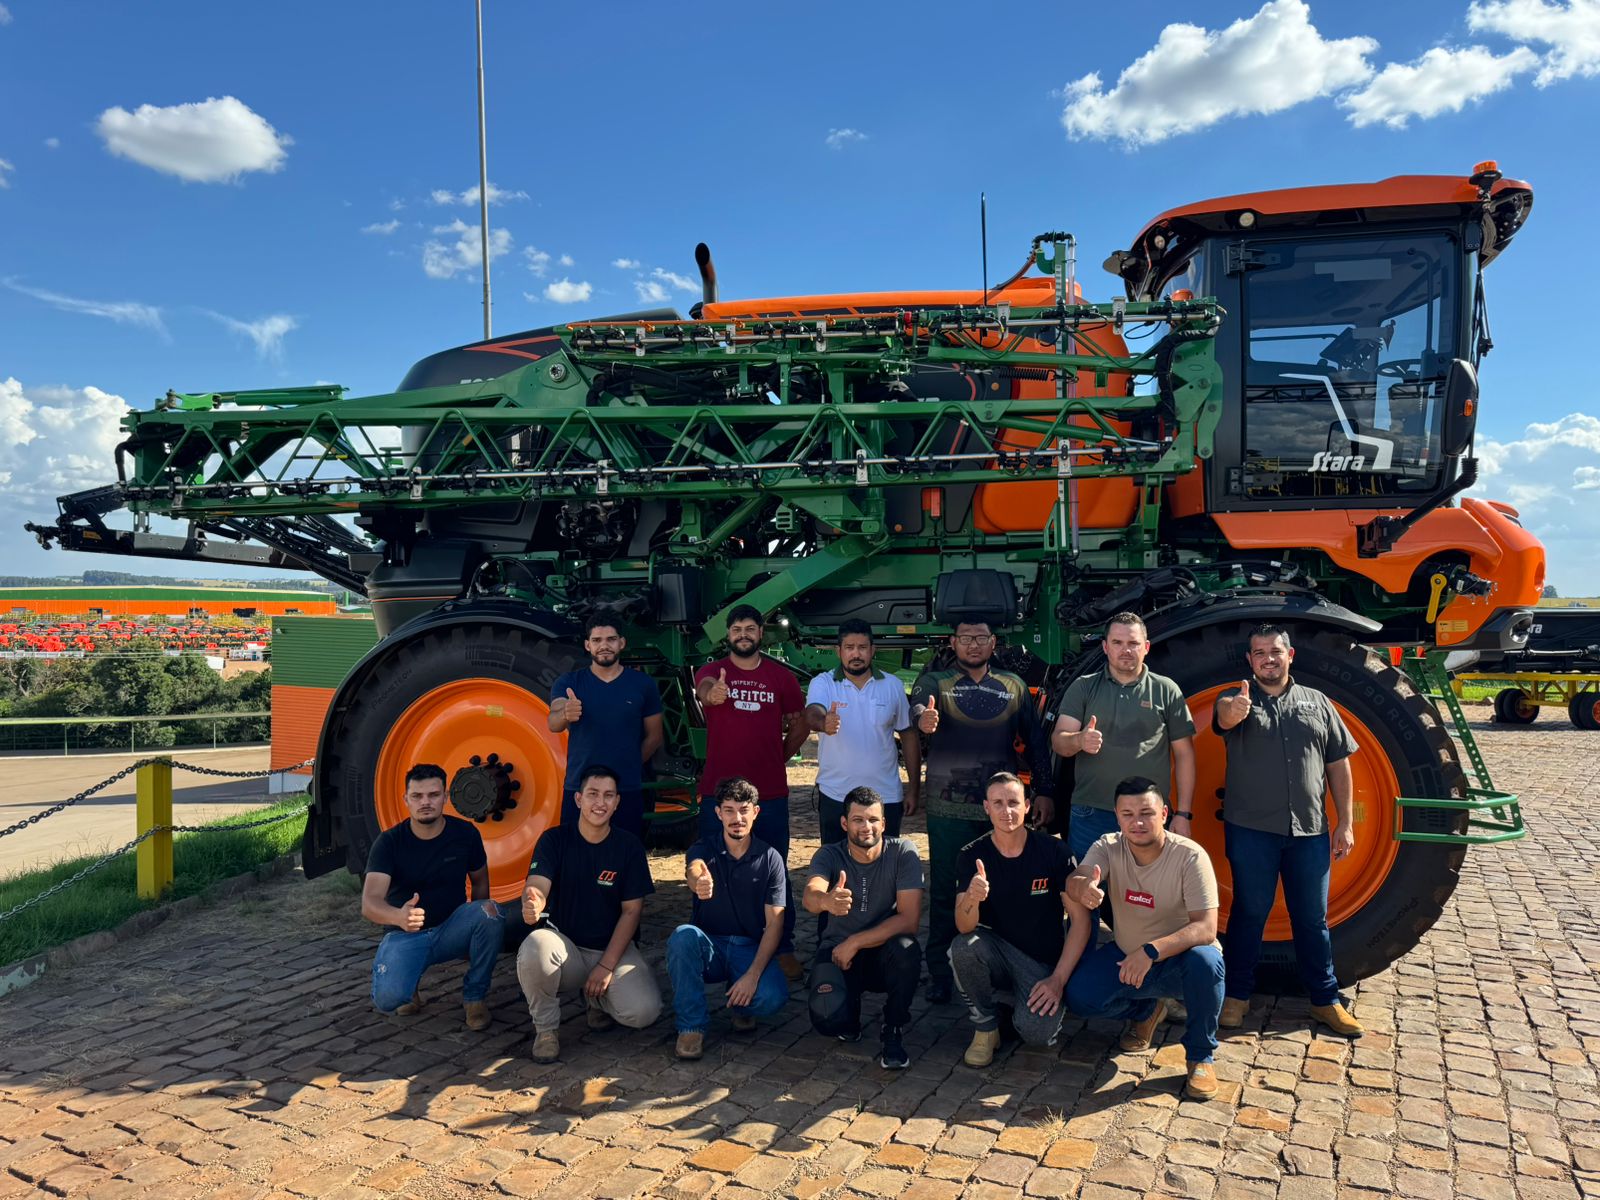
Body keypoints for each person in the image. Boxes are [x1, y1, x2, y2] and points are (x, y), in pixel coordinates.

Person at [1212, 625, 1363, 1038]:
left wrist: (1346, 823)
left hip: (1310, 832)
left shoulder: (1318, 703)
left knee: (1312, 920)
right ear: (1250, 660)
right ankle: (1236, 997)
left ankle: (1325, 1000)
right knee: (1249, 914)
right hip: (1251, 832)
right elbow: (1222, 720)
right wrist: (1232, 712)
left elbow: (1338, 764)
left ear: (1290, 654)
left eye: (1275, 651)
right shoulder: (1235, 701)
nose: (1267, 658)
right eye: (1259, 652)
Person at [911, 621, 1054, 1004]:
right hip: (947, 807)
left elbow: (1036, 743)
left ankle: (999, 967)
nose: (973, 645)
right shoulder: (936, 683)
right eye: (965, 639)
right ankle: (941, 971)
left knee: (1003, 890)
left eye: (980, 639)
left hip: (1001, 811)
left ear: (993, 643)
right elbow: (918, 707)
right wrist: (923, 720)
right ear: (953, 643)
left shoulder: (1013, 686)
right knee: (946, 890)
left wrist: (1043, 792)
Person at [1063, 777, 1226, 1101]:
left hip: (1178, 961)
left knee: (1208, 963)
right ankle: (1146, 1012)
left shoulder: (1190, 856)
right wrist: (1082, 887)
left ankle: (1200, 1056)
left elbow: (1206, 928)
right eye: (1127, 814)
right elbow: (1078, 876)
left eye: (1146, 813)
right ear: (1117, 815)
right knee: (1079, 996)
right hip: (1127, 956)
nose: (1137, 822)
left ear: (1164, 813)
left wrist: (1151, 951)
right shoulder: (1108, 845)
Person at [515, 764, 663, 1062]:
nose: (600, 803)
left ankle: (595, 1000)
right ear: (578, 799)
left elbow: (632, 912)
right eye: (593, 794)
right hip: (566, 949)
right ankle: (546, 1031)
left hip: (613, 950)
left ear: (617, 802)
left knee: (643, 1012)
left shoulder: (628, 846)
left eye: (609, 795)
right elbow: (538, 885)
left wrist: (606, 966)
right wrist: (533, 901)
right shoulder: (554, 840)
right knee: (535, 947)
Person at [694, 604, 808, 979]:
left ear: (761, 633)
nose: (743, 634)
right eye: (737, 628)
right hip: (717, 792)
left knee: (775, 868)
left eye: (750, 628)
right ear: (728, 635)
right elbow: (706, 690)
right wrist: (714, 694)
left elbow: (801, 723)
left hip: (769, 794)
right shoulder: (712, 672)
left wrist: (779, 756)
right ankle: (707, 941)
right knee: (711, 869)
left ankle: (783, 946)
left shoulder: (781, 678)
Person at [948, 773, 1078, 1066]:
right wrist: (972, 897)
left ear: (1028, 806)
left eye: (1013, 803)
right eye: (998, 803)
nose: (1006, 811)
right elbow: (963, 927)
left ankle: (1015, 1009)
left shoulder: (1053, 851)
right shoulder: (972, 855)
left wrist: (1058, 978)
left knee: (1037, 1034)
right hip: (997, 951)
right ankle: (986, 1027)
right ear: (986, 807)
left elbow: (1080, 922)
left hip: (1042, 962)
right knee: (963, 948)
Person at [363, 763, 505, 1030]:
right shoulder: (389, 842)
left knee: (491, 912)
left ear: (446, 796)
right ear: (406, 799)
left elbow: (480, 881)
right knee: (390, 1000)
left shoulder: (466, 834)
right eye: (417, 796)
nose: (425, 802)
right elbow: (369, 903)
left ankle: (475, 998)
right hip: (406, 934)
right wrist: (398, 916)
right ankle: (410, 987)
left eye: (433, 795)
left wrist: (475, 933)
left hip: (450, 927)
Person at [1051, 612, 1196, 863]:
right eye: (1117, 643)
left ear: (1146, 647)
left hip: (1147, 815)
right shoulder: (1083, 687)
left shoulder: (1166, 690)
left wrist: (1183, 813)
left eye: (1133, 643)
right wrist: (1078, 740)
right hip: (1092, 812)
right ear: (1105, 647)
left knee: (1146, 895)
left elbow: (1184, 754)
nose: (1125, 650)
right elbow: (1059, 741)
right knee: (1089, 892)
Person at [666, 777, 791, 1060]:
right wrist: (698, 881)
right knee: (682, 937)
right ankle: (691, 1026)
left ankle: (741, 1006)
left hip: (749, 947)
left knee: (772, 997)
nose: (737, 818)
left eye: (744, 810)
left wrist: (753, 975)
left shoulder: (771, 858)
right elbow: (694, 868)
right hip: (709, 944)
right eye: (730, 810)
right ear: (718, 813)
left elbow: (775, 923)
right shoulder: (703, 848)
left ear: (756, 813)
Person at [802, 787, 925, 1070]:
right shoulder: (829, 855)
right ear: (845, 823)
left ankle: (893, 1028)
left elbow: (910, 920)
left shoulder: (903, 852)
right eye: (858, 820)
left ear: (884, 823)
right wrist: (827, 900)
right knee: (830, 1022)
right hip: (839, 955)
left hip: (881, 954)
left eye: (872, 820)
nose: (866, 827)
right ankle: (851, 1014)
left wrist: (855, 941)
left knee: (907, 949)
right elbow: (810, 897)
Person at [548, 616, 665, 841]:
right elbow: (553, 723)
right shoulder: (569, 682)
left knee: (626, 853)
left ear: (621, 643)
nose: (604, 646)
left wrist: (628, 763)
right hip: (580, 788)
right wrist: (565, 713)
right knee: (576, 856)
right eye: (597, 640)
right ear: (587, 645)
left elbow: (654, 736)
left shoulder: (643, 684)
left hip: (626, 788)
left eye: (611, 639)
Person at [805, 618, 921, 843]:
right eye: (849, 648)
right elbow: (812, 713)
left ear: (873, 650)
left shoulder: (892, 685)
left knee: (885, 867)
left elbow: (908, 735)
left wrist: (914, 789)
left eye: (862, 647)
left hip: (886, 796)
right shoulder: (824, 683)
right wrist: (822, 723)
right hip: (836, 796)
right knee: (837, 867)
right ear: (839, 651)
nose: (856, 654)